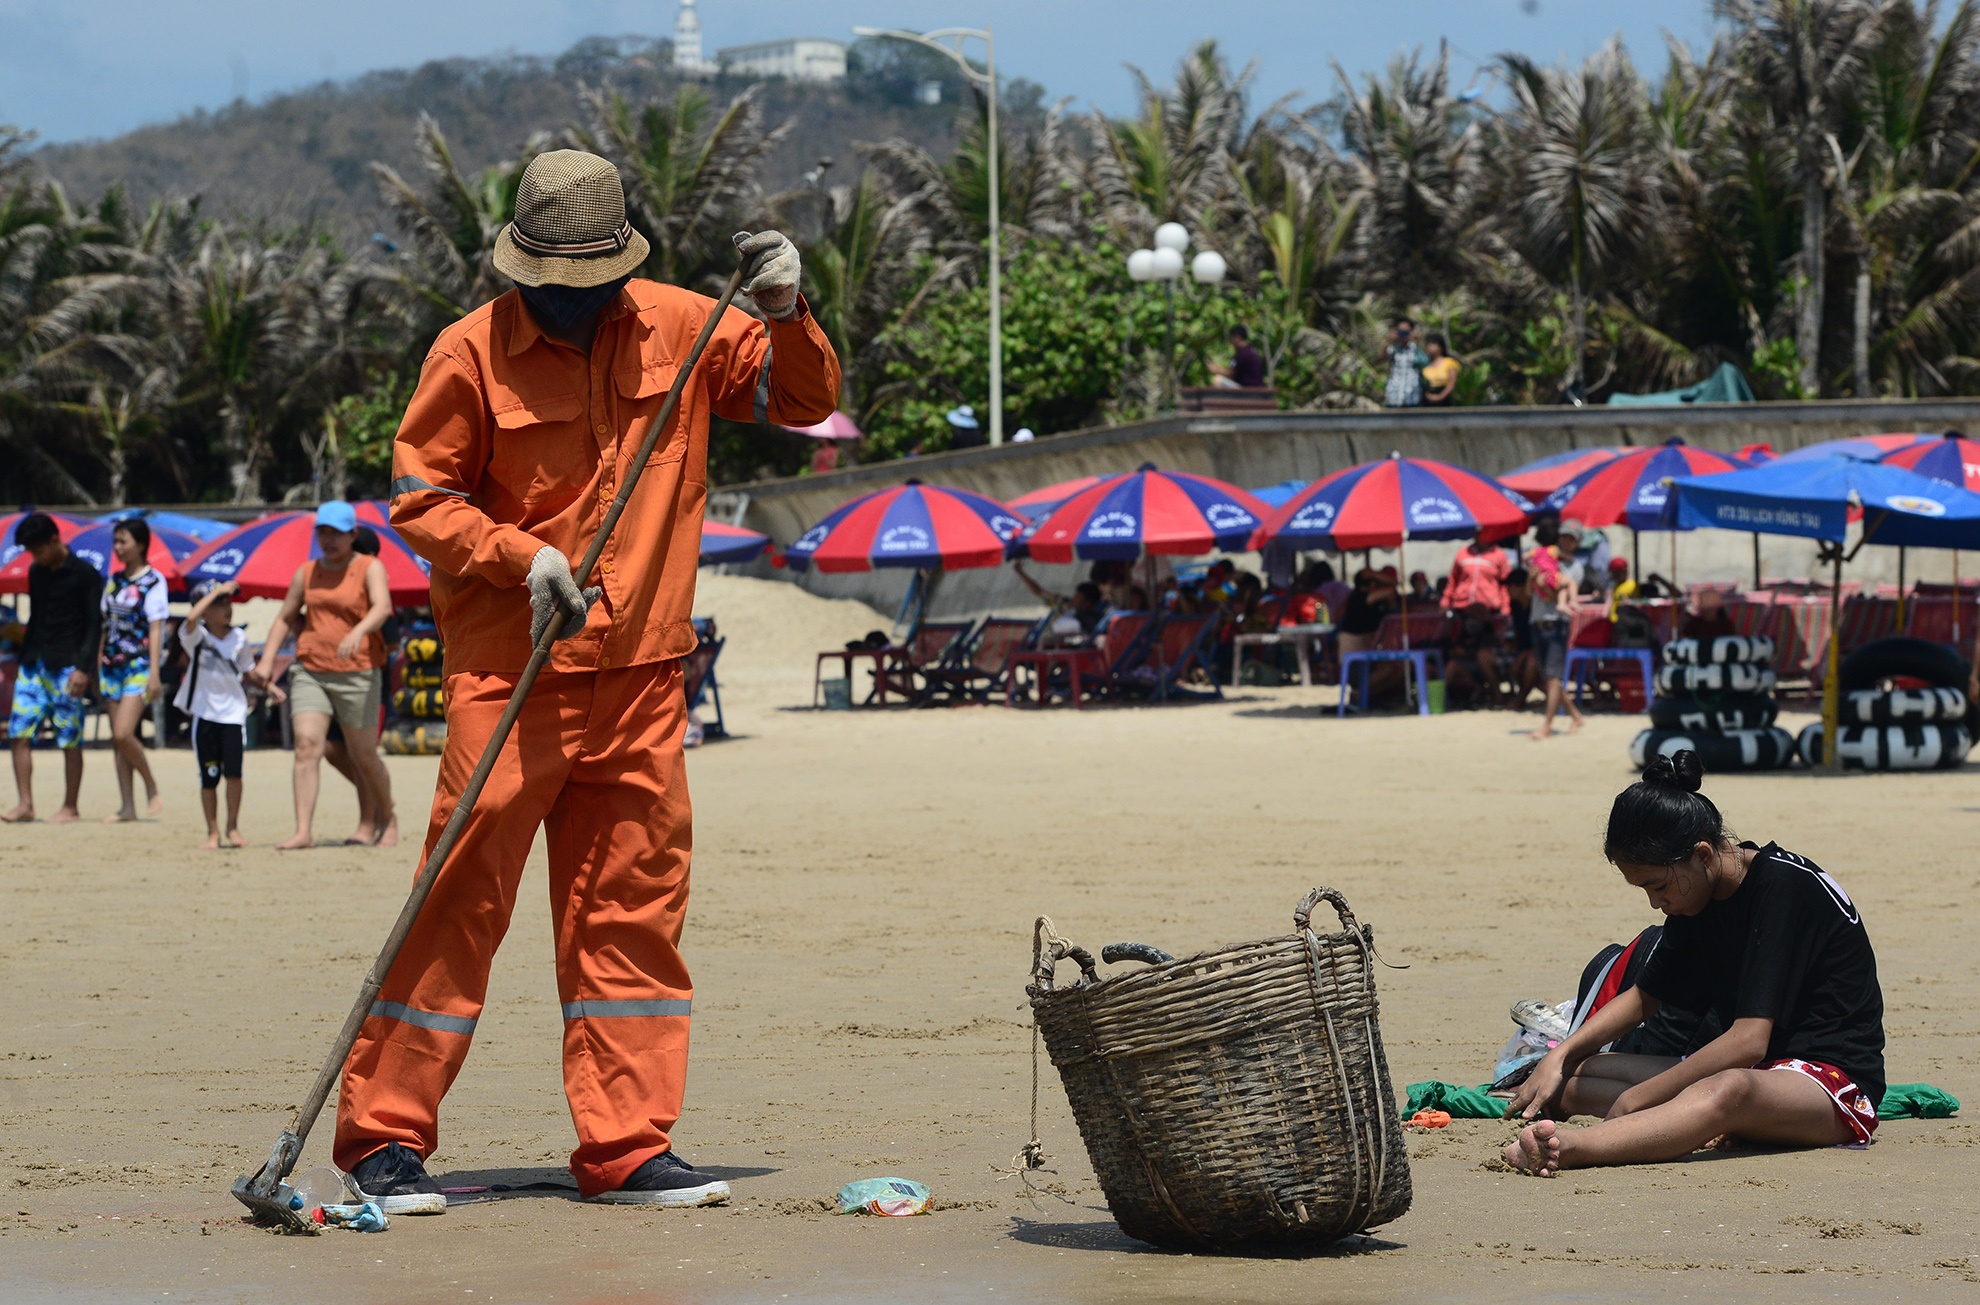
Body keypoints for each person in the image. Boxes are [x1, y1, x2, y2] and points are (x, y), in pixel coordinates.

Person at [335, 149, 838, 1214]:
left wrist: (790, 308)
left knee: (632, 913)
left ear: (623, 267)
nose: (573, 304)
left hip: (646, 675)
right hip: (510, 676)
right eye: (553, 286)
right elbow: (421, 499)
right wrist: (526, 559)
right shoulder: (468, 352)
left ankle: (627, 1147)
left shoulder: (686, 324)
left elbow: (803, 400)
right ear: (521, 269)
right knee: (458, 899)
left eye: (593, 285)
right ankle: (382, 1137)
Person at [1503, 751, 1885, 1175]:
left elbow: (1749, 1041)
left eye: (1659, 886)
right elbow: (1643, 999)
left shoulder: (1782, 887)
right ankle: (1639, 1119)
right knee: (1580, 1073)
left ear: (1702, 855)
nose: (1655, 902)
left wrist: (1636, 1100)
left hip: (1830, 1083)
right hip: (1761, 1069)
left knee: (1726, 1088)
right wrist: (1560, 1056)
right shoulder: (1697, 897)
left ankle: (1573, 1148)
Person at [250, 500, 397, 850]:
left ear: (352, 535)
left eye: (336, 533)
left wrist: (357, 631)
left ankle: (387, 818)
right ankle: (303, 831)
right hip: (311, 668)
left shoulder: (368, 567)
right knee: (306, 746)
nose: (328, 540)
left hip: (358, 671)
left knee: (363, 755)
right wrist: (267, 661)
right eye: (323, 532)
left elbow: (382, 607)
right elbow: (286, 617)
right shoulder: (306, 572)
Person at [3, 513, 102, 823]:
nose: (35, 556)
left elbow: (94, 625)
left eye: (38, 549)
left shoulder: (86, 575)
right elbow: (36, 617)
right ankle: (26, 804)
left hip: (69, 665)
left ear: (55, 540)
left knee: (69, 737)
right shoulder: (37, 572)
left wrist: (84, 668)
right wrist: (23, 658)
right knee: (19, 732)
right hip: (35, 663)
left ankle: (70, 806)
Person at [177, 579, 279, 849]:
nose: (227, 609)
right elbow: (190, 618)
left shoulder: (239, 638)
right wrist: (217, 591)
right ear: (205, 609)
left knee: (234, 774)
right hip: (205, 715)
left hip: (233, 715)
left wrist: (270, 688)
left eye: (228, 603)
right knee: (208, 777)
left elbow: (248, 671)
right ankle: (212, 832)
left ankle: (232, 827)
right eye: (219, 604)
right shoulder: (196, 637)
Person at [321, 525, 399, 848]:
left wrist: (363, 636)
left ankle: (370, 822)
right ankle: (380, 804)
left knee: (362, 755)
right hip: (333, 676)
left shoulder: (375, 589)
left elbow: (393, 640)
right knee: (331, 750)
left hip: (369, 679)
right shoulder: (335, 585)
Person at [97, 518, 168, 822]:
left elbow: (155, 628)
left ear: (140, 544)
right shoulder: (113, 580)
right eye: (115, 542)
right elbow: (106, 623)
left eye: (123, 541)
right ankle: (127, 805)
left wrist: (154, 672)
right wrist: (98, 658)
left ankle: (151, 785)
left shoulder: (153, 581)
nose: (118, 548)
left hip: (138, 665)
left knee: (124, 732)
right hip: (110, 666)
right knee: (117, 739)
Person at [1530, 519, 1587, 740]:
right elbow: (1528, 594)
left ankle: (1547, 725)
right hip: (1537, 621)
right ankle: (1575, 716)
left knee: (1553, 677)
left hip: (1557, 623)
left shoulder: (1575, 568)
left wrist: (1542, 583)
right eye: (1564, 536)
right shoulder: (1545, 558)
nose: (1566, 540)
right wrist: (1532, 579)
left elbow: (1556, 598)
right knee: (1549, 678)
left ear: (1577, 542)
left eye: (1571, 538)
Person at [1443, 531, 1513, 615]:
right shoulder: (1463, 553)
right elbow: (1453, 579)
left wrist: (1505, 607)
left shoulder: (1499, 555)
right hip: (1462, 607)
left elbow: (1505, 585)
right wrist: (1446, 600)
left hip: (1488, 609)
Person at [1382, 318, 1428, 408]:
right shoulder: (1394, 348)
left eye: (1406, 332)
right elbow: (1384, 357)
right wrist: (1390, 341)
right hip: (1394, 395)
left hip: (1412, 395)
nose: (1403, 335)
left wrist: (1419, 341)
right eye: (1400, 331)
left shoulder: (1416, 349)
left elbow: (1425, 362)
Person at [1421, 335, 1460, 406]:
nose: (1430, 347)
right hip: (1428, 397)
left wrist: (1440, 397)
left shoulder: (1449, 362)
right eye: (1428, 344)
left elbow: (1452, 382)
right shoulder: (1425, 364)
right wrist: (1428, 395)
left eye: (1433, 344)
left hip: (1444, 396)